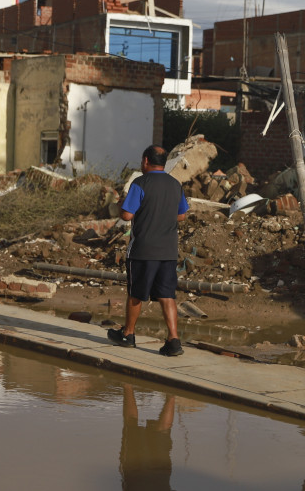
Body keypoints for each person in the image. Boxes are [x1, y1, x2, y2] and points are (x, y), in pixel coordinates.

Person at [107, 145, 188, 356]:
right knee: (167, 295)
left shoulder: (140, 183)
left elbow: (126, 215)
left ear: (145, 161)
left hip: (143, 250)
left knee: (136, 293)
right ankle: (173, 340)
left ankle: (128, 334)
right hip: (168, 251)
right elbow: (181, 215)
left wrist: (120, 205)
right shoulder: (175, 184)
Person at [118, 383, 174, 490]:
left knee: (163, 431)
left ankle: (171, 395)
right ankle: (127, 385)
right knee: (131, 425)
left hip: (160, 474)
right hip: (135, 473)